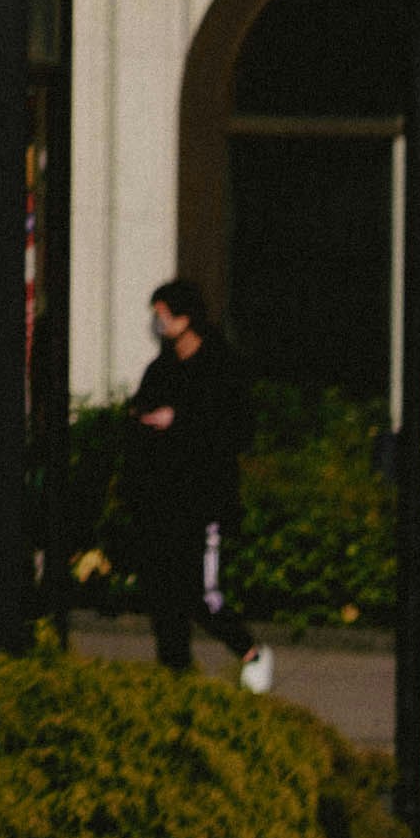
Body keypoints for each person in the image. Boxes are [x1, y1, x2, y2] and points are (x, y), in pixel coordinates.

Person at [125, 279, 264, 689]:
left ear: (185, 318)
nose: (158, 323)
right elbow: (139, 413)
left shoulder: (221, 366)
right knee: (163, 593)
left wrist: (179, 421)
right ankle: (175, 676)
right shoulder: (161, 368)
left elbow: (236, 430)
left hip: (204, 498)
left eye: (163, 315)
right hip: (161, 498)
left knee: (201, 594)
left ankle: (250, 652)